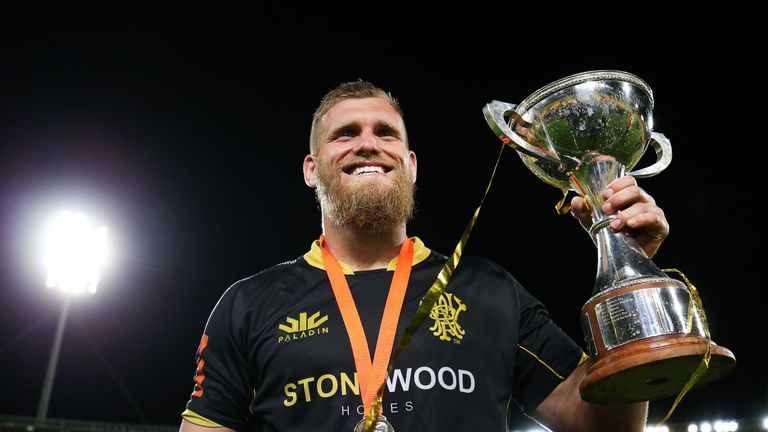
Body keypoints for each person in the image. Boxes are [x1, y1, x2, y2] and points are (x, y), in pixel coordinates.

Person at [179, 80, 668, 431]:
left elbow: (602, 423)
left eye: (386, 133)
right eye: (345, 133)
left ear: (410, 165)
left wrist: (630, 263)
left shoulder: (491, 290)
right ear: (312, 169)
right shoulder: (249, 304)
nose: (367, 145)